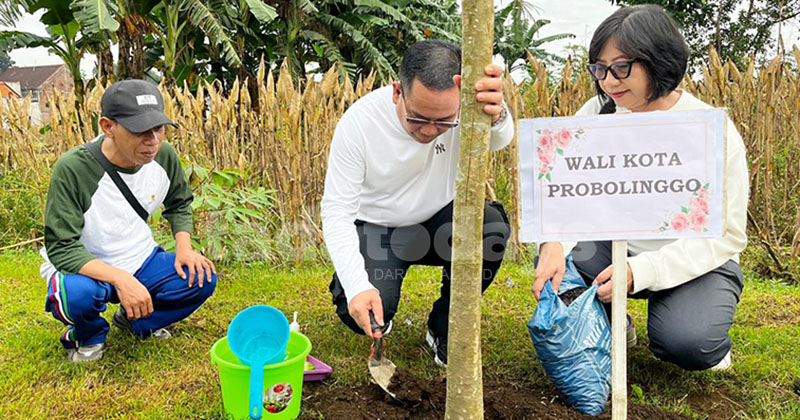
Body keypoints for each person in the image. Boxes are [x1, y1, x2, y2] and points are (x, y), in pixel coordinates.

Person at [532, 5, 748, 371]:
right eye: (599, 69)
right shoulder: (595, 116)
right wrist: (552, 242)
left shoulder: (710, 132)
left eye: (621, 68)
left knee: (688, 342)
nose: (609, 82)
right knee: (560, 279)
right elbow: (565, 197)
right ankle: (616, 324)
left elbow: (726, 235)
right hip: (607, 248)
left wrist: (639, 271)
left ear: (660, 62)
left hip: (694, 260)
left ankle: (705, 338)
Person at [322, 40, 513, 366]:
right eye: (418, 118)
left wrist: (497, 114)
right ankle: (373, 296)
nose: (428, 131)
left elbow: (500, 139)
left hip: (439, 223)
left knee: (490, 226)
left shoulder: (463, 111)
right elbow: (337, 210)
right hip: (378, 229)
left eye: (442, 122)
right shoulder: (360, 124)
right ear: (398, 92)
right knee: (365, 310)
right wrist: (357, 287)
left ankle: (444, 326)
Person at [40, 79, 217, 362]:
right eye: (140, 131)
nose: (153, 141)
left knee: (200, 278)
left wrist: (184, 249)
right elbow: (62, 247)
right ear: (108, 127)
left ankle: (135, 321)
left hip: (138, 256)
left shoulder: (163, 156)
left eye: (158, 129)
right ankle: (90, 336)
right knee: (77, 295)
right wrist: (121, 278)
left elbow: (180, 202)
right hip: (84, 266)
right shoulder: (73, 168)